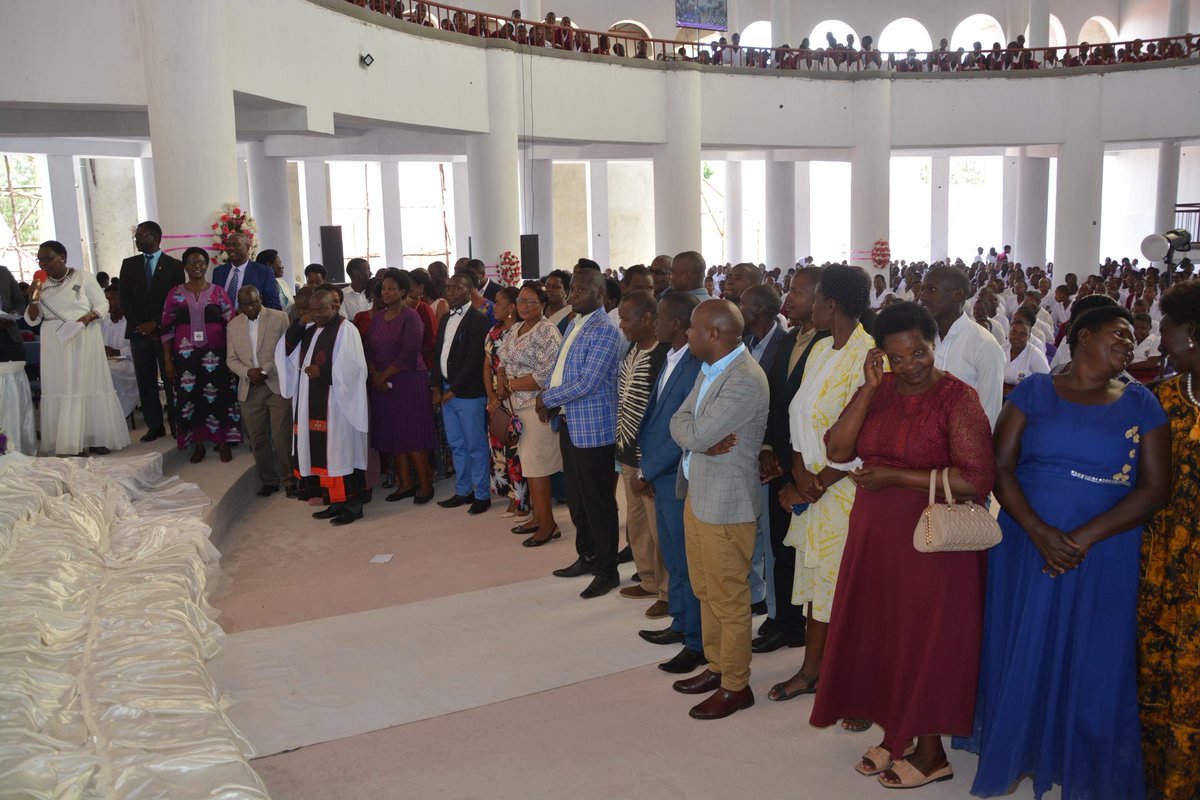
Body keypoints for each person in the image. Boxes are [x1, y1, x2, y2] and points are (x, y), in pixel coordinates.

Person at [955, 305, 1170, 800]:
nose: (1129, 343)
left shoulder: (1142, 403)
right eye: (1119, 333)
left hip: (1104, 549)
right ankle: (1021, 751)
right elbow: (1001, 465)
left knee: (1094, 654)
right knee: (1024, 641)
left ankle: (1081, 761)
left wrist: (1081, 538)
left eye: (1133, 336)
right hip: (1028, 543)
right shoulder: (1034, 391)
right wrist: (1039, 532)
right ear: (1084, 335)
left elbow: (1156, 488)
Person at [810, 302, 995, 789]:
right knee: (888, 633)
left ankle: (932, 753)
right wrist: (870, 389)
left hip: (934, 539)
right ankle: (899, 734)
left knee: (924, 638)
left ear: (934, 344)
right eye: (897, 357)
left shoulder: (958, 398)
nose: (910, 364)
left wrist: (895, 475)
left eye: (920, 352)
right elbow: (837, 450)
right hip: (876, 535)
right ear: (882, 357)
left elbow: (977, 478)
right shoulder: (881, 388)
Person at [770, 264, 872, 706]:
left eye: (814, 298)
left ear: (830, 304)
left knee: (849, 592)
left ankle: (855, 685)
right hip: (813, 488)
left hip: (847, 493)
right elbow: (799, 417)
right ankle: (812, 671)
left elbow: (864, 439)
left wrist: (815, 484)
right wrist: (797, 473)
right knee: (816, 586)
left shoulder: (868, 355)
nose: (808, 305)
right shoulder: (822, 349)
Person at [667, 298, 770, 720]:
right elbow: (680, 421)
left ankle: (736, 684)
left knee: (728, 597)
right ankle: (716, 665)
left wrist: (696, 436)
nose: (687, 334)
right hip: (700, 493)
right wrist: (696, 437)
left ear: (714, 333)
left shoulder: (745, 378)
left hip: (727, 505)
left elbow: (694, 430)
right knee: (705, 588)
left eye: (693, 328)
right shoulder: (711, 370)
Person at [1139, 280, 1200, 800]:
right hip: (1162, 567)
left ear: (1192, 332)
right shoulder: (1160, 401)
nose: (1159, 340)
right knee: (1160, 679)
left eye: (1167, 327)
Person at [755, 267, 828, 654]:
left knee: (803, 552)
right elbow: (773, 398)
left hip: (805, 468)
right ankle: (781, 618)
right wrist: (767, 449)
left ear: (821, 298)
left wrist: (791, 465)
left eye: (798, 291)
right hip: (778, 461)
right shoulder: (790, 338)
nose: (789, 296)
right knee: (781, 547)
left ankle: (795, 622)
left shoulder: (828, 343)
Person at [538, 268, 624, 599]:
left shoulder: (604, 330)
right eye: (572, 289)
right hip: (571, 422)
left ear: (601, 295)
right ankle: (586, 556)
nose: (573, 295)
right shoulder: (576, 322)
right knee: (577, 499)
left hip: (593, 429)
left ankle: (607, 570)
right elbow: (560, 369)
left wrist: (547, 397)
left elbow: (588, 383)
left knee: (598, 502)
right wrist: (549, 393)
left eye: (581, 290)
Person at [635, 292, 705, 673]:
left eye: (660, 318)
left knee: (688, 563)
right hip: (659, 475)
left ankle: (696, 641)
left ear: (677, 324)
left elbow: (684, 430)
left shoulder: (694, 366)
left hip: (676, 476)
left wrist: (649, 470)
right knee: (674, 560)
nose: (654, 323)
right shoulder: (668, 356)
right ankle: (680, 623)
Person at [23, 241, 130, 456]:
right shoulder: (40, 284)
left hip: (83, 333)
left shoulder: (84, 277)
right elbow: (33, 321)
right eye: (40, 260)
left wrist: (87, 318)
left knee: (88, 382)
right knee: (64, 385)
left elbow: (103, 304)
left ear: (62, 256)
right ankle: (73, 441)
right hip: (55, 339)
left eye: (48, 258)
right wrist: (34, 296)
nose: (44, 264)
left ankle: (96, 436)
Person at [277, 288, 370, 525]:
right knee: (324, 455)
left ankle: (352, 505)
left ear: (335, 307)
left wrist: (323, 372)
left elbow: (355, 368)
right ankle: (335, 502)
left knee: (340, 454)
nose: (316, 315)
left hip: (337, 406)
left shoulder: (345, 329)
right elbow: (284, 353)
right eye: (312, 310)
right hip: (311, 402)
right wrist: (300, 323)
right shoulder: (310, 330)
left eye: (322, 310)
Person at [614, 290, 670, 617]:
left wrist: (649, 465)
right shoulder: (633, 350)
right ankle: (648, 578)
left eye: (626, 318)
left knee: (657, 525)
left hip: (649, 457)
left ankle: (666, 589)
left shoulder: (663, 355)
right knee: (635, 521)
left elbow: (662, 415)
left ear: (648, 318)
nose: (622, 324)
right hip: (627, 450)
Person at [160, 247, 242, 463]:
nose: (197, 266)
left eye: (201, 262)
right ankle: (197, 444)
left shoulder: (218, 292)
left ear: (207, 265)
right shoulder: (174, 294)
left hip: (218, 356)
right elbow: (166, 329)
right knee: (189, 397)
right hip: (185, 358)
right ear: (185, 266)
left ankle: (222, 441)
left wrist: (234, 357)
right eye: (192, 262)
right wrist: (168, 360)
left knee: (222, 395)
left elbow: (232, 325)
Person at [497, 281, 563, 546]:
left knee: (538, 468)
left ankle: (549, 524)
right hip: (516, 407)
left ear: (543, 304)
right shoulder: (516, 327)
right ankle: (538, 517)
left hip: (536, 408)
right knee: (529, 465)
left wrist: (509, 385)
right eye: (521, 301)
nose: (524, 306)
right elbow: (502, 357)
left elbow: (544, 376)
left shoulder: (549, 332)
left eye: (531, 301)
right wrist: (502, 378)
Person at [366, 269, 437, 504]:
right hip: (382, 384)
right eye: (383, 288)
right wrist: (375, 374)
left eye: (391, 288)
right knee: (394, 433)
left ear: (403, 291)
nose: (385, 292)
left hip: (407, 381)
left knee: (412, 434)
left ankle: (425, 485)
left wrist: (383, 375)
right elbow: (369, 349)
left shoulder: (411, 317)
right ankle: (405, 483)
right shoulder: (377, 318)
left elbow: (409, 352)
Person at [118, 220, 184, 442]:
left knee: (170, 379)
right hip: (138, 334)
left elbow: (176, 300)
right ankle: (155, 426)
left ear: (155, 236)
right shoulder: (129, 264)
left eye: (141, 235)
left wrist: (156, 323)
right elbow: (125, 299)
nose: (137, 239)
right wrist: (141, 325)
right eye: (136, 235)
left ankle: (176, 424)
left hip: (165, 333)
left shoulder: (174, 266)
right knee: (145, 381)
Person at [432, 273, 492, 514]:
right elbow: (438, 354)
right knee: (457, 444)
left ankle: (482, 495)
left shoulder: (478, 320)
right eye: (449, 287)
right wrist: (436, 386)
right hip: (446, 390)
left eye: (457, 287)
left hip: (467, 393)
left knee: (475, 444)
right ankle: (463, 490)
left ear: (470, 290)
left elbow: (474, 360)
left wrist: (454, 389)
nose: (451, 291)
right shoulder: (446, 318)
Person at [227, 285, 294, 496]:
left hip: (275, 384)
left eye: (254, 302)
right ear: (240, 305)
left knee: (281, 435)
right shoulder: (233, 325)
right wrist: (248, 373)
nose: (250, 308)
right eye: (245, 304)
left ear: (261, 298)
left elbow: (286, 351)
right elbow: (231, 359)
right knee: (257, 437)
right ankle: (269, 480)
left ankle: (290, 480)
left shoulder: (280, 317)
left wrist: (264, 370)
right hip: (250, 387)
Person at [920, 265, 1005, 428]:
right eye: (923, 289)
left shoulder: (984, 345)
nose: (922, 297)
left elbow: (989, 415)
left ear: (957, 294)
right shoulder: (923, 337)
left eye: (931, 289)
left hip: (963, 445)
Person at [483, 286, 528, 517]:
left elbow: (518, 369)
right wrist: (491, 397)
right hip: (494, 398)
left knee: (515, 450)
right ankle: (510, 495)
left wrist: (502, 396)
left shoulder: (520, 332)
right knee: (499, 448)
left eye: (499, 303)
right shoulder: (493, 331)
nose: (494, 307)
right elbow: (486, 364)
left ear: (511, 307)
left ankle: (521, 500)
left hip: (512, 396)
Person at [0, 263, 35, 454]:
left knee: (16, 388)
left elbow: (20, 302)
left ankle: (19, 436)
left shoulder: (3, 272)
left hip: (9, 338)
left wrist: (10, 316)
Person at [213, 232, 281, 311]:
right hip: (222, 322)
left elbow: (273, 305)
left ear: (248, 247)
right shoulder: (218, 272)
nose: (230, 248)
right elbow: (214, 302)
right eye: (228, 245)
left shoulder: (264, 272)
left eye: (235, 245)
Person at [100, 285, 139, 418]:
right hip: (107, 361)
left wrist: (116, 351)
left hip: (129, 362)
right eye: (106, 299)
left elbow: (135, 347)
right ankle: (102, 414)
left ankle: (117, 413)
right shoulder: (103, 322)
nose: (109, 302)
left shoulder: (131, 321)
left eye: (113, 298)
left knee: (109, 372)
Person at [1003, 314, 1050, 394]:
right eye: (1013, 332)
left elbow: (1045, 383)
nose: (1017, 337)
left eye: (1022, 334)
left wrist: (1016, 392)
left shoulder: (1035, 355)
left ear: (1029, 337)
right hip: (1000, 393)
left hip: (1026, 396)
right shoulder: (1001, 350)